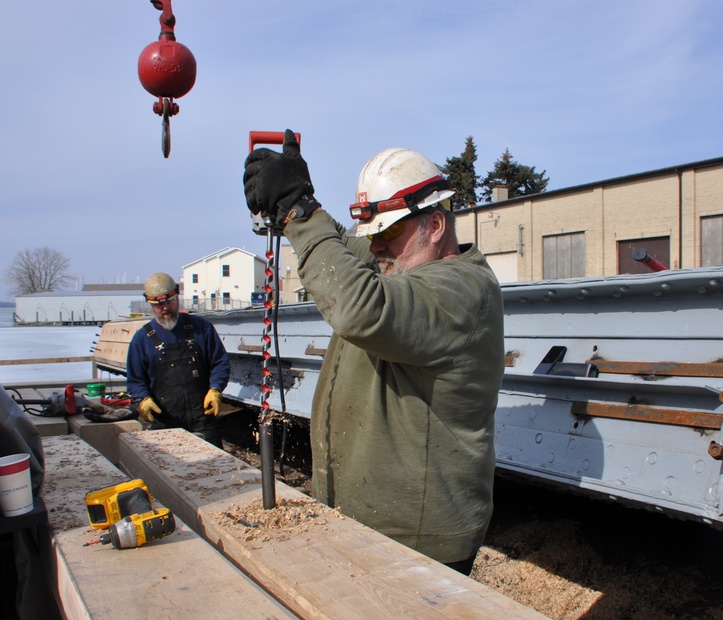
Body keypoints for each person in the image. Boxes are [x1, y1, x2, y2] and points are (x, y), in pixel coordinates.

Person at [243, 130, 505, 575]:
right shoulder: (405, 262)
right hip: (372, 524)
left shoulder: (461, 289)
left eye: (388, 231)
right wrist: (304, 207)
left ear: (435, 225)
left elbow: (361, 308)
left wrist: (299, 212)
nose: (376, 244)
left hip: (417, 538)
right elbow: (348, 248)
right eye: (373, 232)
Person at [126, 272, 231, 448]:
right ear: (150, 304)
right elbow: (135, 380)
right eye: (159, 305)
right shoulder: (142, 339)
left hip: (202, 418)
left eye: (170, 301)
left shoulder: (201, 328)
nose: (165, 307)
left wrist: (215, 389)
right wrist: (143, 399)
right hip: (165, 421)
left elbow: (220, 362)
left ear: (178, 296)